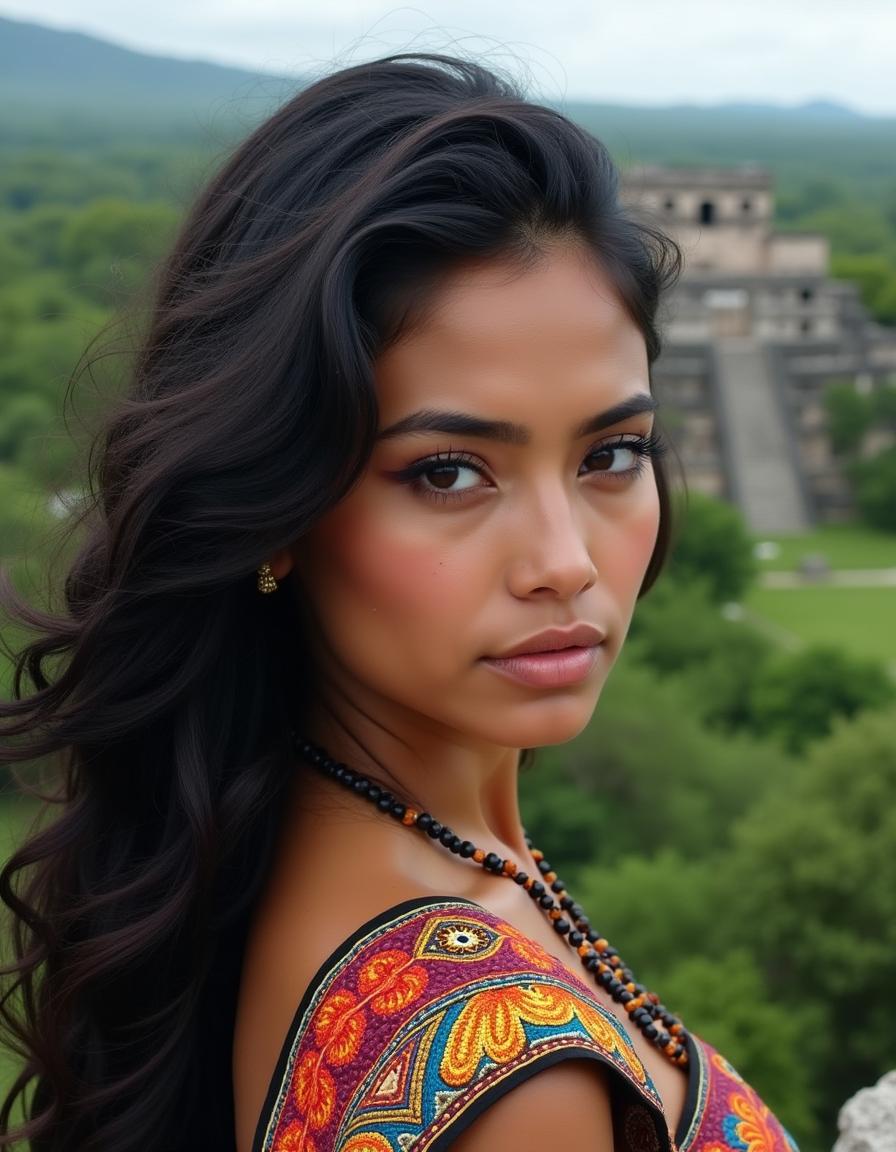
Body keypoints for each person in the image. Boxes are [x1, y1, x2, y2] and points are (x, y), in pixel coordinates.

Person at [0, 52, 801, 1152]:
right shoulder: (518, 1092)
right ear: (279, 510)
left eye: (611, 453)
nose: (563, 560)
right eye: (447, 472)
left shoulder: (283, 851)